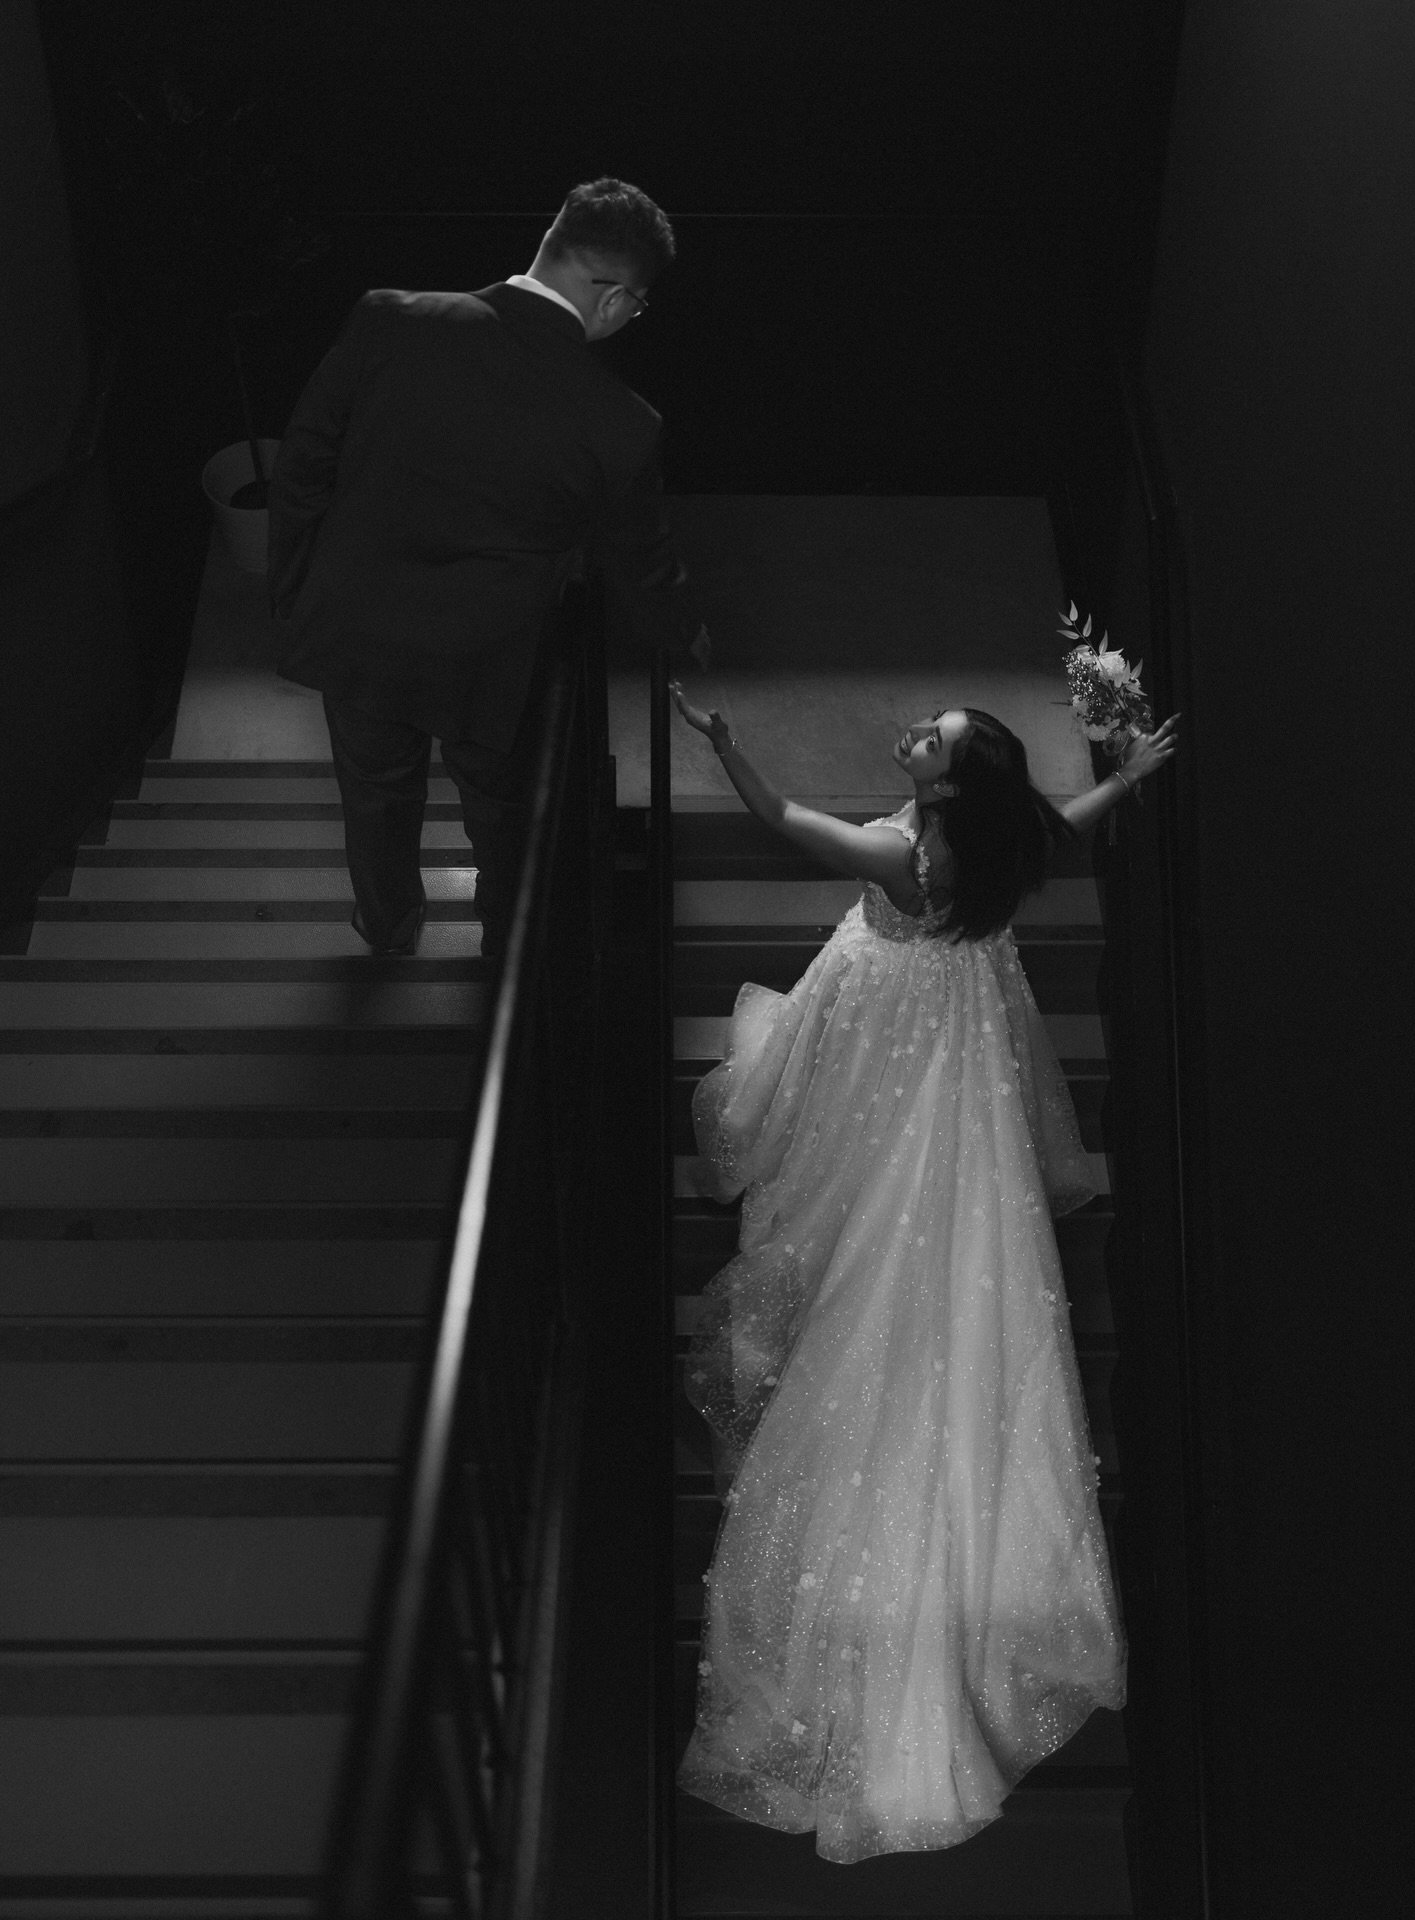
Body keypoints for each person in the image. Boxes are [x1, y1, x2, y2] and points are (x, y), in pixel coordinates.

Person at [668, 682, 1178, 1863]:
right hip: (959, 1024)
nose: (909, 736)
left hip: (898, 1024)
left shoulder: (908, 858)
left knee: (852, 1179)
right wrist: (1129, 776)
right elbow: (1066, 821)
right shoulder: (992, 843)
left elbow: (789, 822)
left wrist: (729, 746)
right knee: (947, 1190)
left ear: (944, 785)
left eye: (928, 741)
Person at [267, 178, 707, 955]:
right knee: (502, 812)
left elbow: (303, 467)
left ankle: (390, 925)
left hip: (359, 627)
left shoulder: (389, 320)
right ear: (614, 301)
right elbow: (643, 563)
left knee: (372, 795)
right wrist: (685, 633)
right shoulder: (620, 425)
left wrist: (296, 594)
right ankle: (506, 944)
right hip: (489, 661)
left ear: (550, 245)